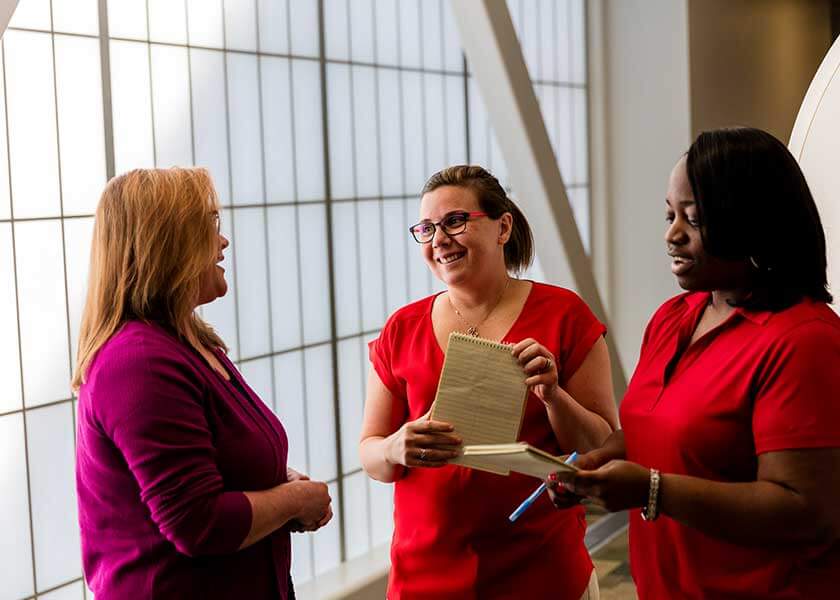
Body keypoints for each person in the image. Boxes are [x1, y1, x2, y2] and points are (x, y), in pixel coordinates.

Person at [550, 127, 840, 599]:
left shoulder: (805, 341)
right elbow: (669, 432)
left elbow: (806, 511)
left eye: (695, 219)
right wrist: (605, 459)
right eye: (669, 214)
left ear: (752, 222)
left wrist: (650, 490)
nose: (672, 235)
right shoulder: (672, 318)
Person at [359, 165, 619, 599]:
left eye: (455, 222)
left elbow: (600, 447)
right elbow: (371, 453)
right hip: (425, 575)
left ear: (503, 227)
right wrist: (393, 446)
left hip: (541, 572)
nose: (439, 239)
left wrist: (553, 395)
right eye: (427, 228)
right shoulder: (401, 328)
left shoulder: (565, 315)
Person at [73, 168, 332, 598]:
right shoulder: (138, 362)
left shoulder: (186, 341)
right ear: (167, 243)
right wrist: (295, 501)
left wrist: (276, 478)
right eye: (209, 226)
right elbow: (198, 521)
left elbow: (207, 463)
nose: (223, 242)